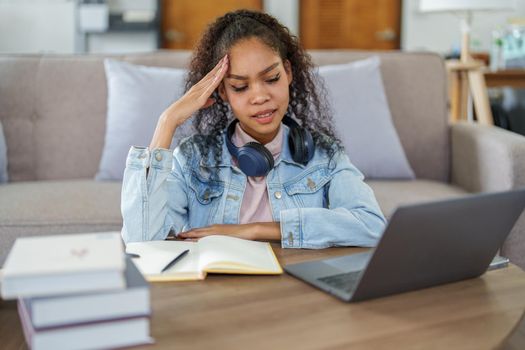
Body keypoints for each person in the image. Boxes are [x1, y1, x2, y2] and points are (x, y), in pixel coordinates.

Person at [121, 10, 386, 248]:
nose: (259, 96)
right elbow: (141, 240)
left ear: (288, 72)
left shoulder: (324, 155)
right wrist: (167, 121)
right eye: (240, 86)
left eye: (271, 78)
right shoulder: (193, 159)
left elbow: (372, 226)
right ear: (222, 91)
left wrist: (255, 230)